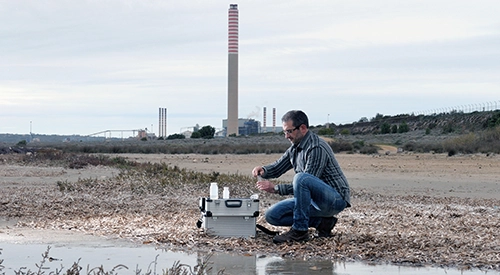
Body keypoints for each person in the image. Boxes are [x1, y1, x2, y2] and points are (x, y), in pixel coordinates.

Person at [252, 110, 351, 244]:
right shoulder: (295, 147)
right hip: (312, 200)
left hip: (334, 199)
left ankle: (300, 231)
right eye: (284, 132)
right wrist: (263, 170)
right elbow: (278, 166)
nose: (286, 136)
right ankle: (322, 223)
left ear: (303, 128)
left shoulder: (316, 148)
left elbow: (305, 181)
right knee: (272, 215)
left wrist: (276, 188)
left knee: (301, 178)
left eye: (289, 131)